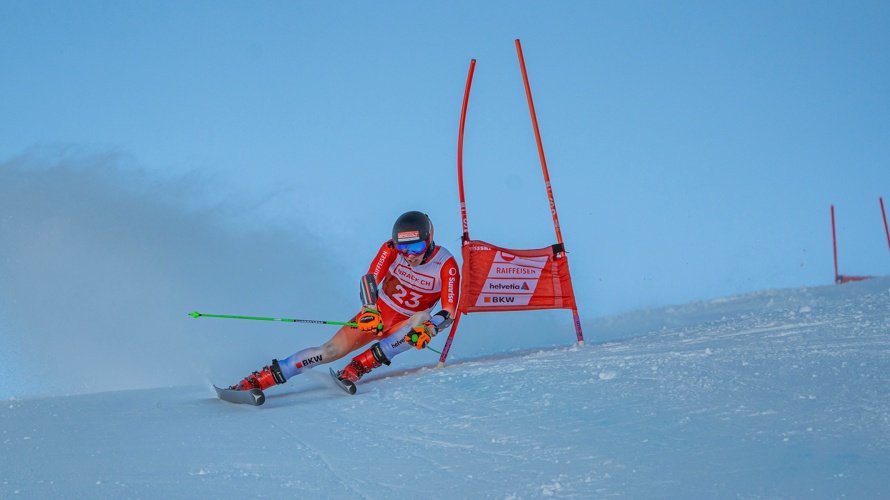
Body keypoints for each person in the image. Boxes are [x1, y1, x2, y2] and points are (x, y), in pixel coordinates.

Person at [231, 211, 461, 392]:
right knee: (330, 350)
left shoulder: (446, 264)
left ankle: (359, 366)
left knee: (422, 320)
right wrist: (370, 309)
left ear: (429, 240)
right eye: (403, 248)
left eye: (416, 247)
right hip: (378, 314)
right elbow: (370, 278)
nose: (410, 255)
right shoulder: (390, 249)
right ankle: (259, 380)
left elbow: (449, 310)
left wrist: (431, 329)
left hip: (405, 324)